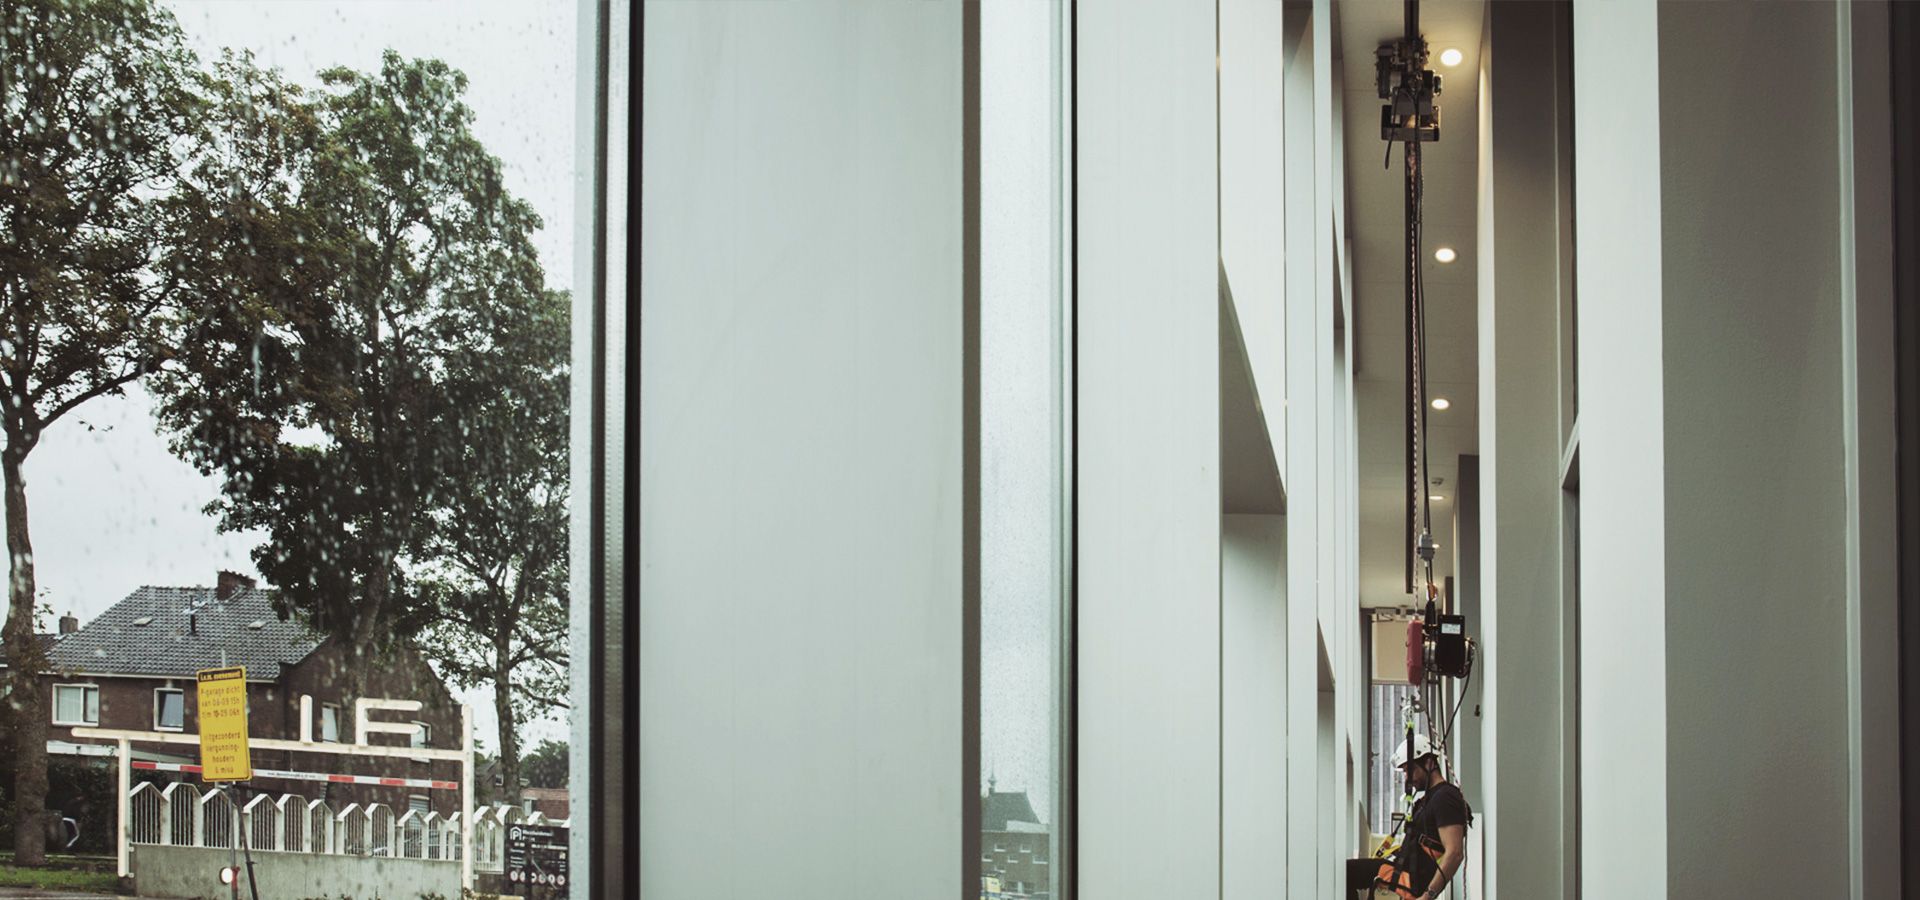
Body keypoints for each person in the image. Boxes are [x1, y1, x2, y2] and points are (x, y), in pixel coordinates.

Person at [1384, 734, 1468, 900]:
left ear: (1429, 763)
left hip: (1411, 878)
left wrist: (1427, 896)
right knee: (1347, 871)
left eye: (1410, 769)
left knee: (1347, 872)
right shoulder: (1429, 799)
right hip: (1405, 871)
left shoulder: (1445, 797)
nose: (1407, 777)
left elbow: (1455, 853)